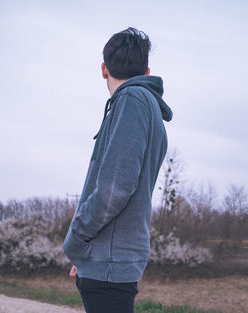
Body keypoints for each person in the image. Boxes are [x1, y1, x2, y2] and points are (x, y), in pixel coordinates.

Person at [62, 27, 173, 313]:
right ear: (146, 70)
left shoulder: (131, 101)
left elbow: (115, 189)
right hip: (107, 261)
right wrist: (89, 257)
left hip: (110, 266)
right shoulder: (142, 104)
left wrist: (78, 239)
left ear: (103, 69)